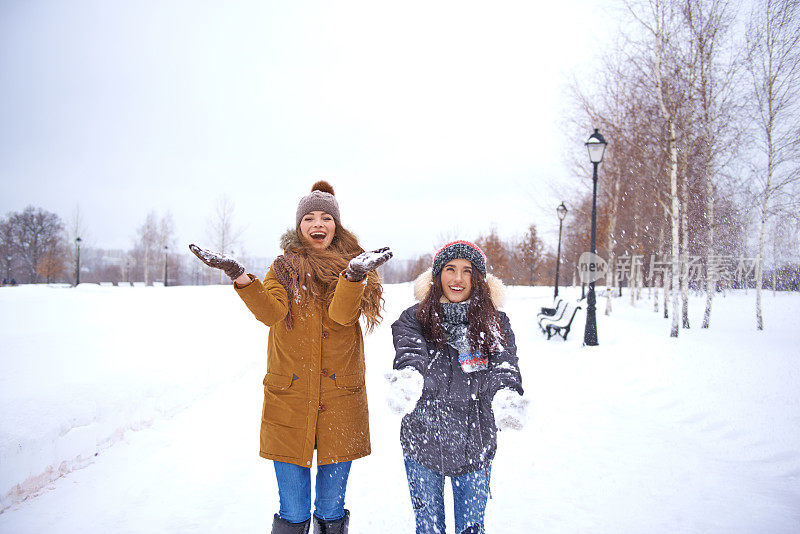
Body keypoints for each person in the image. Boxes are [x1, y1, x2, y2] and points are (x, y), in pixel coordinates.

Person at [190, 181, 392, 534]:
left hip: (339, 401)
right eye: (310, 217)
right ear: (299, 226)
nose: (318, 224)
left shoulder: (355, 268)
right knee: (294, 511)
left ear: (336, 225)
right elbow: (270, 313)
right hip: (291, 399)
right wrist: (240, 276)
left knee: (330, 510)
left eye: (326, 217)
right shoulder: (283, 267)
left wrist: (353, 276)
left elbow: (342, 317)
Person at [387, 240, 527, 534]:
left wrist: (506, 395)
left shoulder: (495, 322)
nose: (458, 278)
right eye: (450, 269)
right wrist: (410, 376)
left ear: (478, 279)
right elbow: (411, 353)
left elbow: (503, 364)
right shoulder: (414, 319)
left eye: (467, 271)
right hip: (423, 442)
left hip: (475, 445)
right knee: (428, 528)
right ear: (437, 276)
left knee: (472, 529)